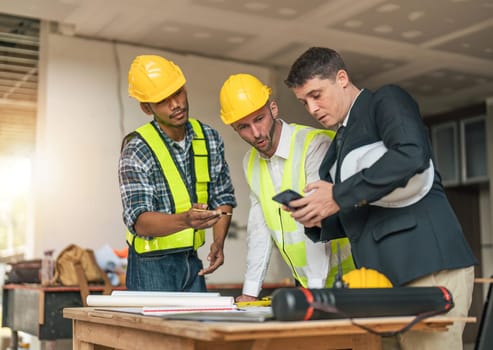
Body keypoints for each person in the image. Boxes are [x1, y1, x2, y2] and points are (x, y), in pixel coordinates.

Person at [284, 47, 477, 349]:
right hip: (379, 284)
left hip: (425, 268)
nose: (311, 108)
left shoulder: (385, 100)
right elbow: (361, 211)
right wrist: (317, 218)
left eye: (316, 95)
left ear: (342, 78)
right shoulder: (338, 145)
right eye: (303, 101)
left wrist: (337, 194)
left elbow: (411, 154)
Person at [219, 73, 354, 302]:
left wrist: (314, 292)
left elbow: (316, 221)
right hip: (307, 285)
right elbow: (259, 229)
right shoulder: (250, 162)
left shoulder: (315, 144)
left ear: (273, 109)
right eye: (244, 126)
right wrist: (250, 292)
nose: (256, 133)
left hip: (348, 280)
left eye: (259, 119)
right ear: (234, 128)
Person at [118, 54, 237, 292]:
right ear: (146, 107)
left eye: (178, 93)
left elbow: (223, 197)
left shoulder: (209, 138)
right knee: (155, 331)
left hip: (192, 262)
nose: (176, 104)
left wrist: (218, 242)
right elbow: (138, 220)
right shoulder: (138, 147)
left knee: (197, 329)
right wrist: (186, 220)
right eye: (163, 100)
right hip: (149, 266)